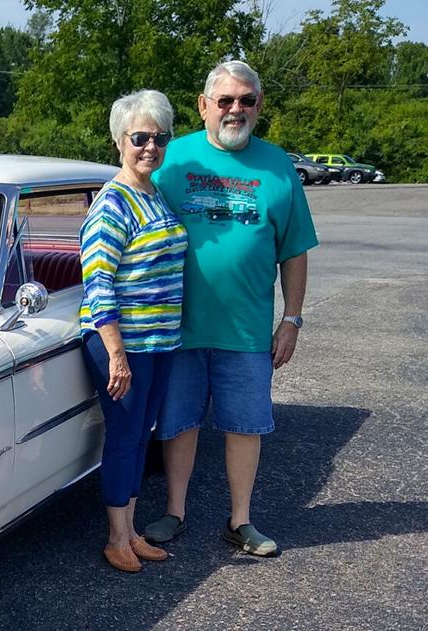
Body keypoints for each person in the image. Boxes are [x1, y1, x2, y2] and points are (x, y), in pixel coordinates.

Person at [147, 60, 318, 556]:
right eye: (225, 100)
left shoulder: (278, 166)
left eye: (246, 100)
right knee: (178, 421)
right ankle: (174, 511)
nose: (235, 109)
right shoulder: (171, 161)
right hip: (177, 326)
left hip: (246, 330)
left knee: (245, 425)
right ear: (203, 106)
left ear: (259, 105)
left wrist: (292, 319)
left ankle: (240, 521)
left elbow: (295, 249)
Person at [79, 90, 188, 573]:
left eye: (159, 138)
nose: (150, 147)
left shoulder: (153, 193)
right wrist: (116, 355)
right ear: (120, 141)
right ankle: (116, 538)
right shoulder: (113, 203)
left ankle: (133, 530)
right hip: (122, 344)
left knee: (144, 437)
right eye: (140, 137)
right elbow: (98, 283)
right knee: (124, 437)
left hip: (160, 341)